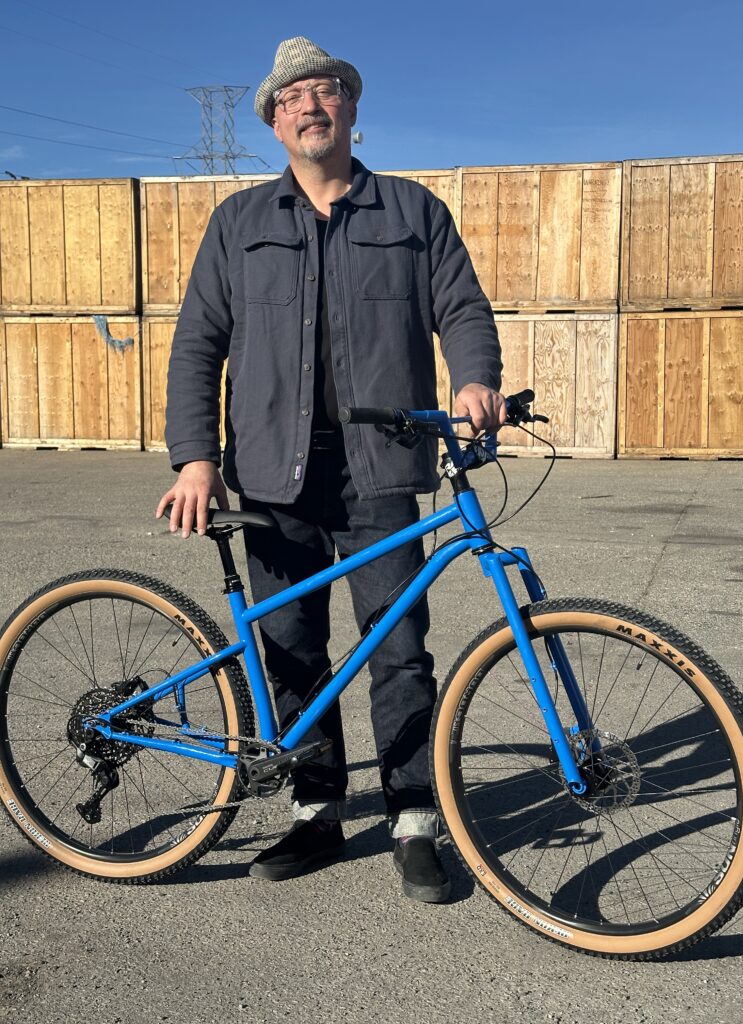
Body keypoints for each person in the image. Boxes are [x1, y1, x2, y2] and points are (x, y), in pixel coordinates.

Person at [157, 36, 505, 903]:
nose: (310, 107)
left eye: (325, 92)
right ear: (275, 121)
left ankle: (415, 819)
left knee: (397, 646)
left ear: (350, 107)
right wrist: (196, 459)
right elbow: (198, 345)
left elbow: (462, 306)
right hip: (272, 475)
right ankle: (316, 809)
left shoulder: (412, 212)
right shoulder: (239, 223)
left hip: (380, 470)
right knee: (292, 650)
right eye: (292, 98)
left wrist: (474, 379)